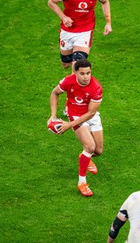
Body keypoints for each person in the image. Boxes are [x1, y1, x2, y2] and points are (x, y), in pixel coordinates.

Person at [48, 59, 103, 197]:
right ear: (76, 73)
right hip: (74, 113)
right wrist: (53, 116)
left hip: (91, 115)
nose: (86, 77)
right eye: (82, 73)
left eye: (88, 73)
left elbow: (91, 113)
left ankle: (84, 156)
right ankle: (82, 183)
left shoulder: (96, 88)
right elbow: (55, 93)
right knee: (90, 146)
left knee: (98, 151)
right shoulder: (68, 81)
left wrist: (68, 125)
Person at [48, 0, 112, 70]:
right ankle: (67, 64)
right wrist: (64, 17)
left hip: (85, 31)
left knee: (77, 64)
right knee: (66, 63)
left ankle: (73, 83)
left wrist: (108, 22)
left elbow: (105, 2)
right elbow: (51, 2)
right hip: (67, 30)